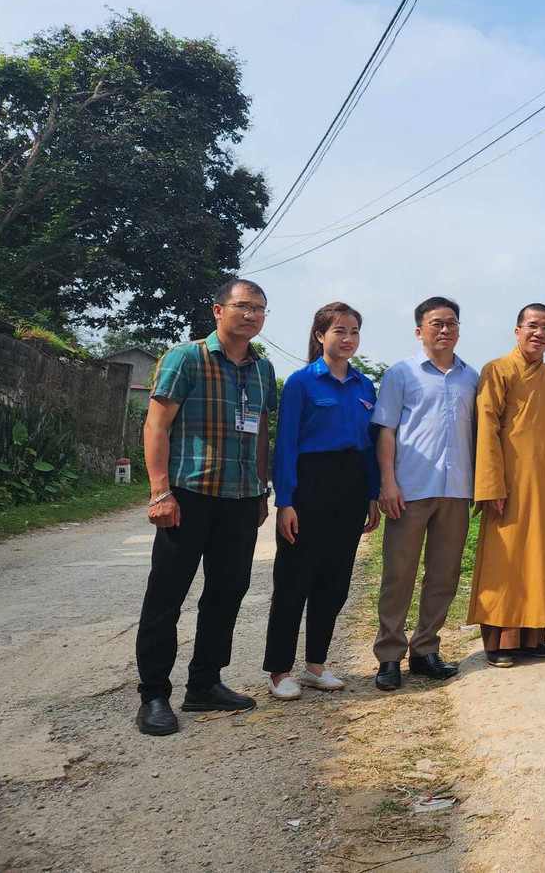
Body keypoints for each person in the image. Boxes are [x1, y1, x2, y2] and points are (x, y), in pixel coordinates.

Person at [134, 278, 277, 736]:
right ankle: (154, 694)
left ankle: (205, 683)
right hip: (188, 497)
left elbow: (258, 433)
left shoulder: (263, 370)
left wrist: (260, 490)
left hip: (240, 501)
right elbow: (156, 426)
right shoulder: (186, 357)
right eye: (242, 307)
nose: (251, 315)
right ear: (218, 311)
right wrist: (160, 491)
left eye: (259, 309)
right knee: (166, 596)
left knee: (226, 593)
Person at [264, 302, 381, 700]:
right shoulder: (301, 382)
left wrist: (372, 495)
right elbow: (286, 445)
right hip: (310, 484)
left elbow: (369, 447)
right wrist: (287, 501)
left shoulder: (365, 386)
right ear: (320, 336)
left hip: (351, 487)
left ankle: (315, 665)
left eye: (353, 332)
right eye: (339, 332)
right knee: (295, 580)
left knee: (334, 582)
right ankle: (279, 671)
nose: (347, 339)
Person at [370, 296, 479, 691]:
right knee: (399, 575)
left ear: (459, 329)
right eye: (436, 323)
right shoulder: (401, 374)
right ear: (420, 330)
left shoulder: (472, 377)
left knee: (444, 575)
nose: (444, 329)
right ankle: (388, 656)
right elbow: (385, 430)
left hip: (456, 490)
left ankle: (426, 649)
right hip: (409, 489)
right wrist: (387, 483)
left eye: (451, 322)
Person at [468, 304, 545, 668]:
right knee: (504, 561)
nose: (539, 333)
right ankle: (500, 642)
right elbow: (486, 428)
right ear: (517, 330)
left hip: (543, 483)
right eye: (532, 326)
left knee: (538, 558)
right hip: (506, 484)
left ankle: (532, 636)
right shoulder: (497, 370)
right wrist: (491, 483)